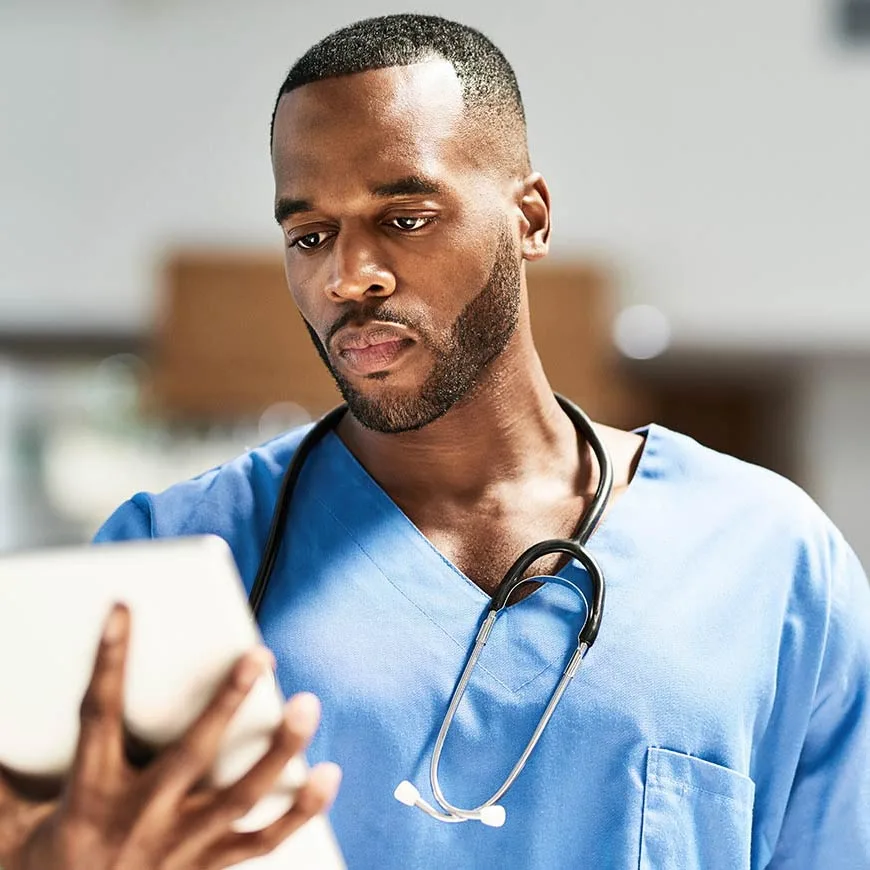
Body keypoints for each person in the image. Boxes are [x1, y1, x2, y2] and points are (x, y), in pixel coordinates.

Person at [2, 12, 869, 870]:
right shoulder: (176, 558)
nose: (348, 276)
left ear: (530, 218)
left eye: (405, 218)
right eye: (310, 235)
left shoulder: (770, 559)